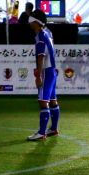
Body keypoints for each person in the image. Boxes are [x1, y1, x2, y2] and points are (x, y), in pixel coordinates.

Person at [26, 9, 60, 141]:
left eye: (31, 21)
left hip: (46, 71)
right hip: (52, 70)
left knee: (43, 102)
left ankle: (41, 133)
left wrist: (38, 76)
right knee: (52, 101)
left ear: (35, 22)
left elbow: (41, 57)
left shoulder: (40, 36)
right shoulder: (48, 33)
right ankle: (53, 129)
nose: (29, 23)